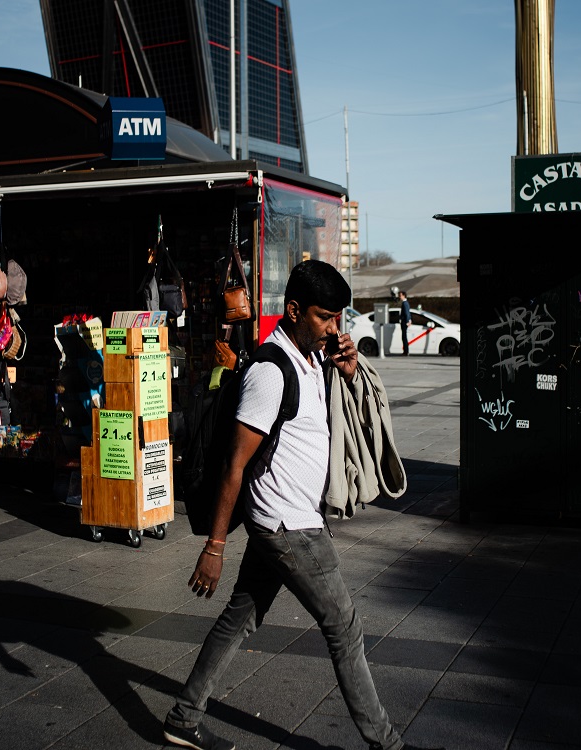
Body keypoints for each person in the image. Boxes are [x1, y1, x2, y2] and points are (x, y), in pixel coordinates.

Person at [164, 262, 439, 750]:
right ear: (293, 311)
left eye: (338, 318)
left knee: (239, 618)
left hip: (288, 521)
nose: (334, 327)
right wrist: (215, 545)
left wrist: (350, 370)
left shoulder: (313, 358)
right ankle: (388, 745)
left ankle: (184, 718)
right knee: (345, 627)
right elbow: (233, 465)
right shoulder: (270, 371)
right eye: (324, 316)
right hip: (289, 529)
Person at [398, 291, 411, 356]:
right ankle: (406, 351)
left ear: (404, 296)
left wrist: (407, 321)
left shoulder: (404, 303)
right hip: (404, 321)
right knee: (404, 336)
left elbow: (406, 313)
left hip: (404, 322)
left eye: (400, 295)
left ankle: (406, 351)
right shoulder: (405, 303)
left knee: (404, 337)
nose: (399, 297)